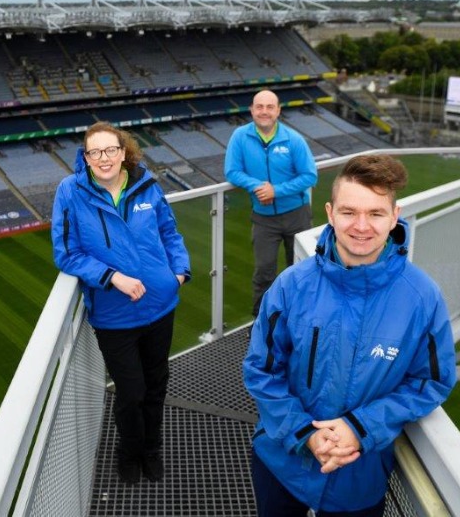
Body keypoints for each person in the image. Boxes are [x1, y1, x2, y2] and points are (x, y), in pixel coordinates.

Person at [243, 154, 457, 517]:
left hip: (358, 477)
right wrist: (304, 433)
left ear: (394, 216)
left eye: (375, 213)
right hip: (282, 463)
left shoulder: (423, 298)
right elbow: (261, 371)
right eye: (349, 212)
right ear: (330, 213)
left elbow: (432, 382)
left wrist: (360, 427)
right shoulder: (291, 285)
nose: (361, 226)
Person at [51, 121, 191, 485]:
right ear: (85, 157)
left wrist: (179, 272)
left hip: (160, 306)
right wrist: (112, 276)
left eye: (111, 149)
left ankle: (152, 450)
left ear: (123, 151)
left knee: (156, 385)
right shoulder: (70, 192)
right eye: (95, 152)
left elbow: (170, 232)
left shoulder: (146, 183)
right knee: (131, 393)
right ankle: (129, 453)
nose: (104, 158)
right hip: (114, 316)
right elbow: (66, 253)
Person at [224, 89, 318, 317]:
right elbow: (232, 171)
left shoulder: (293, 139)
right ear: (251, 110)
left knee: (301, 270)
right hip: (263, 218)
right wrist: (258, 186)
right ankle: (262, 322)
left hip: (297, 214)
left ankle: (299, 318)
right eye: (259, 107)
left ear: (278, 111)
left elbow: (309, 176)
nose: (264, 111)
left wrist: (275, 191)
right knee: (264, 273)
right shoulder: (240, 136)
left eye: (269, 107)